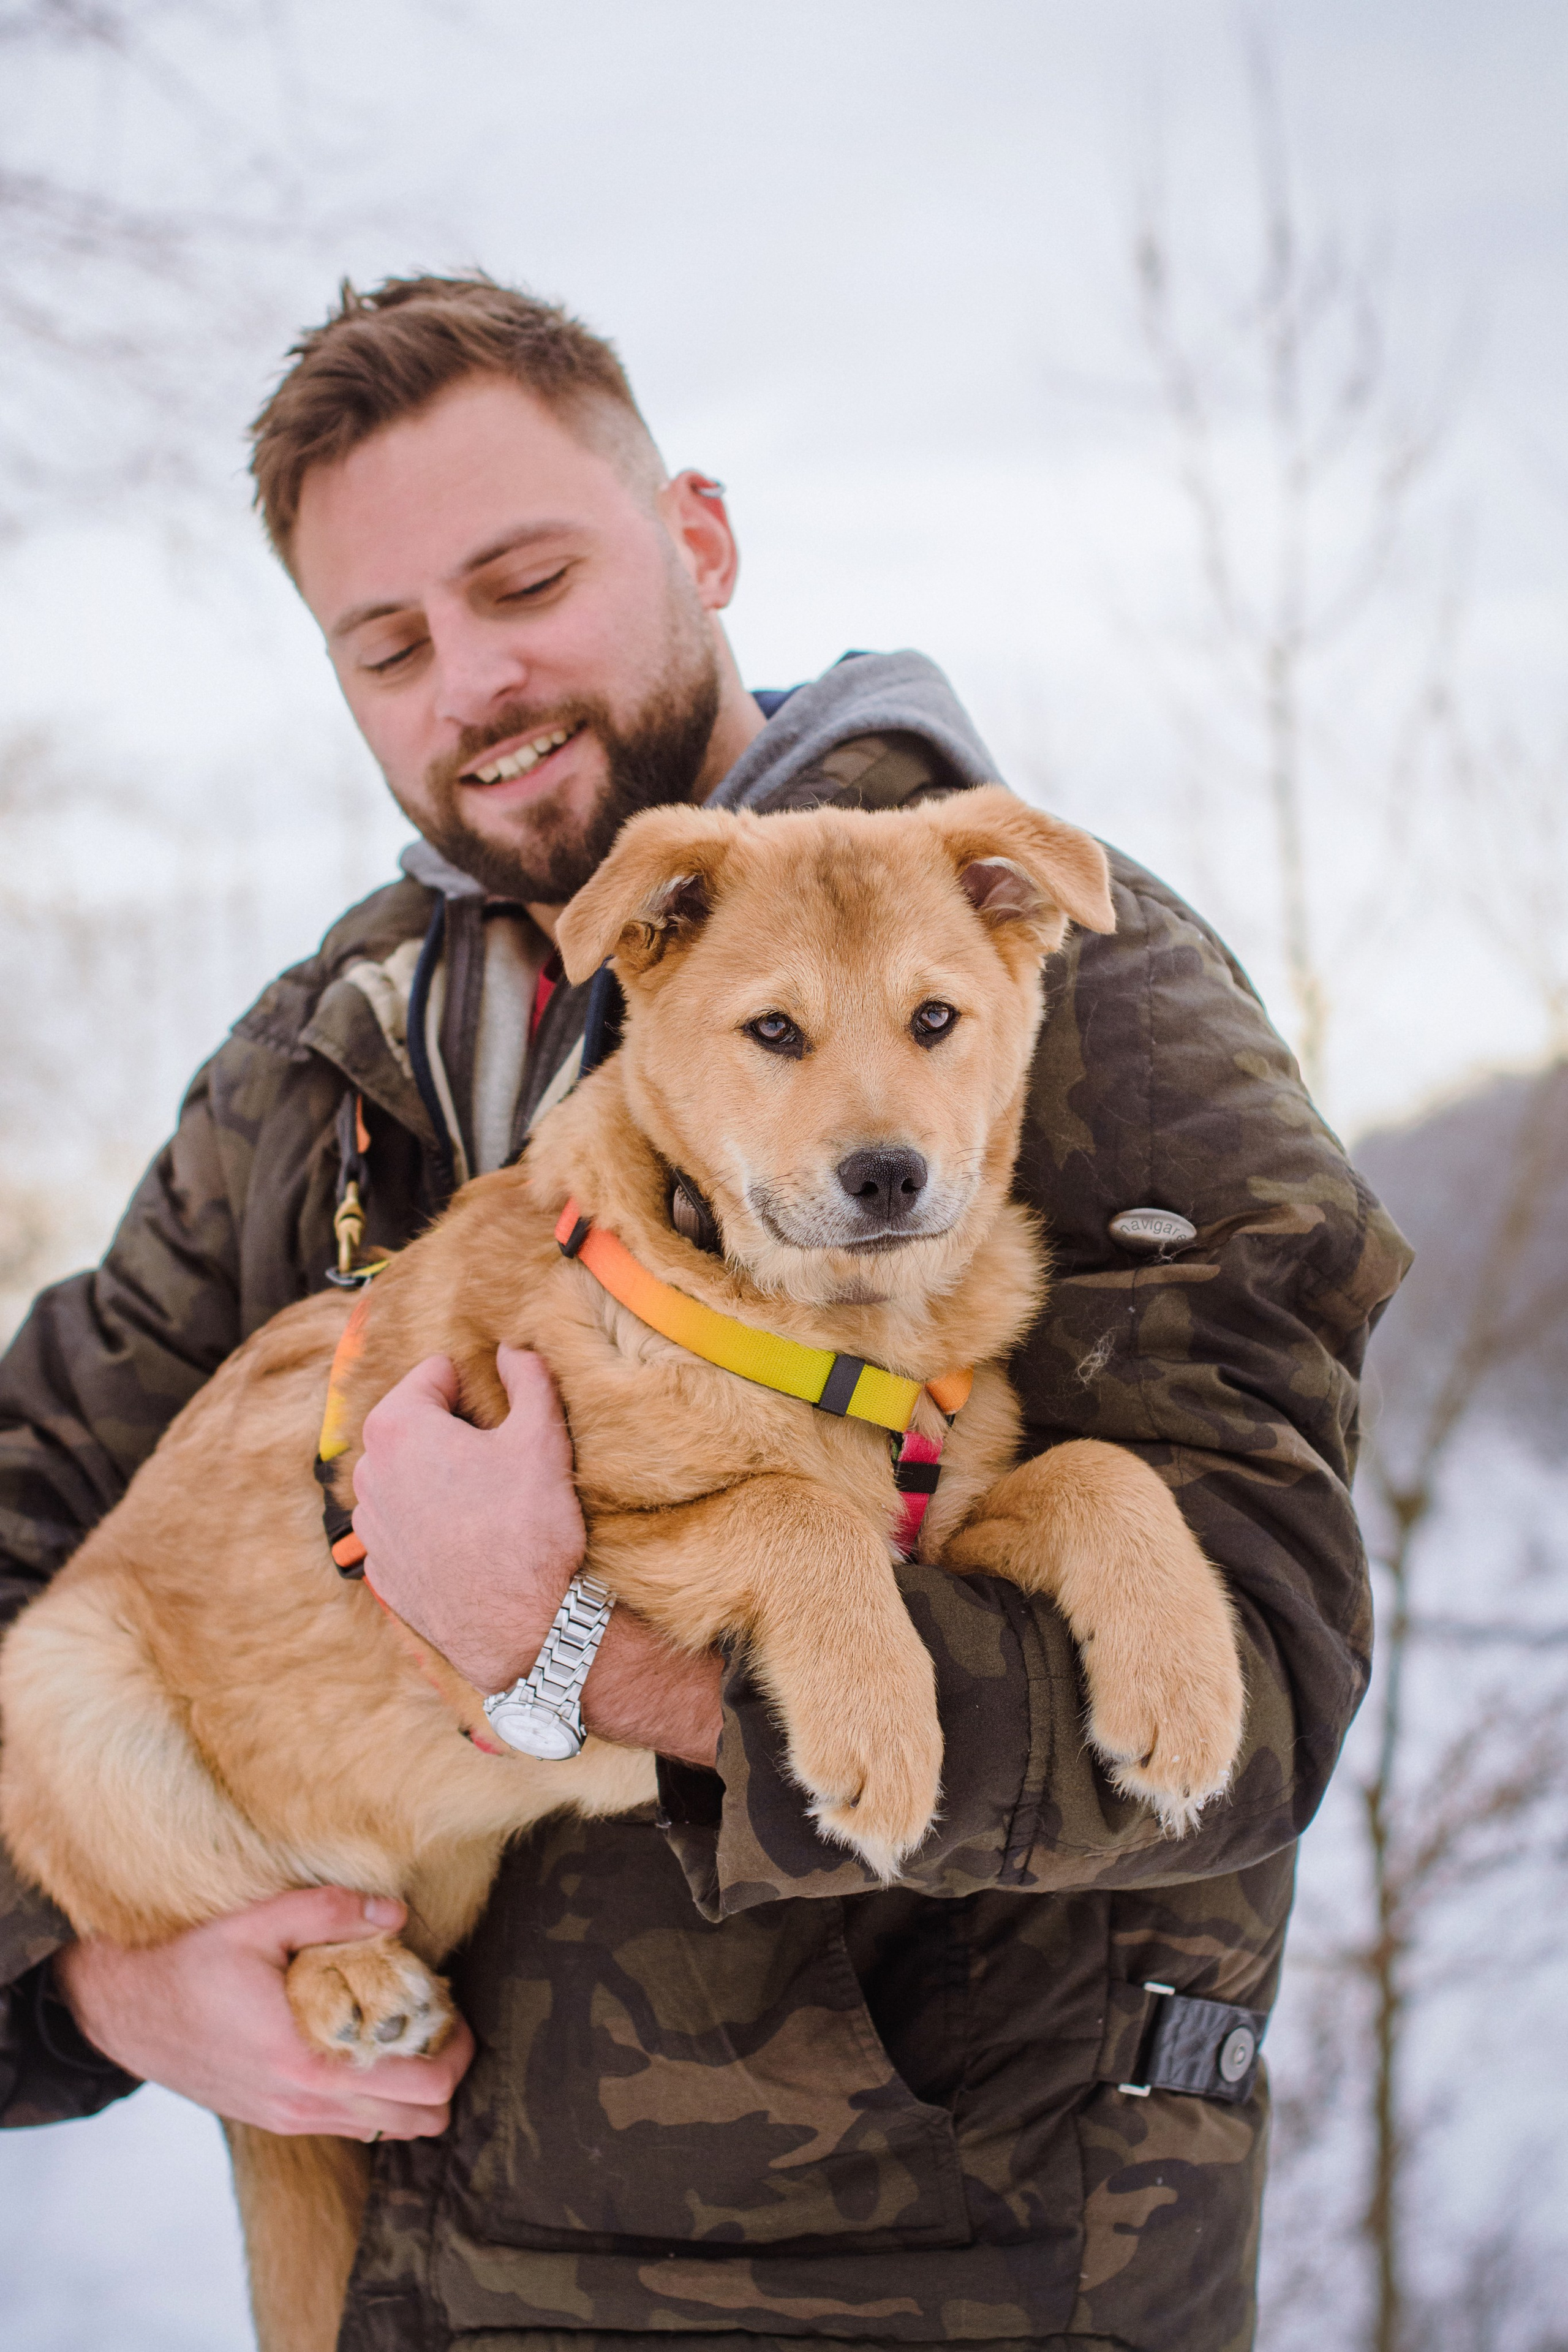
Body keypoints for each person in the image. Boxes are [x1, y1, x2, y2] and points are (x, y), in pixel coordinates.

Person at [0, 274, 1409, 2352]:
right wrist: (94, 1979)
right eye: (389, 644)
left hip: (922, 2286)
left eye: (526, 579)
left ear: (702, 542)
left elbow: (1263, 1682)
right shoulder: (327, 1055)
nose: (474, 680)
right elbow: (40, 1525)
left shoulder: (1068, 975)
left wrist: (571, 1651)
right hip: (428, 2276)